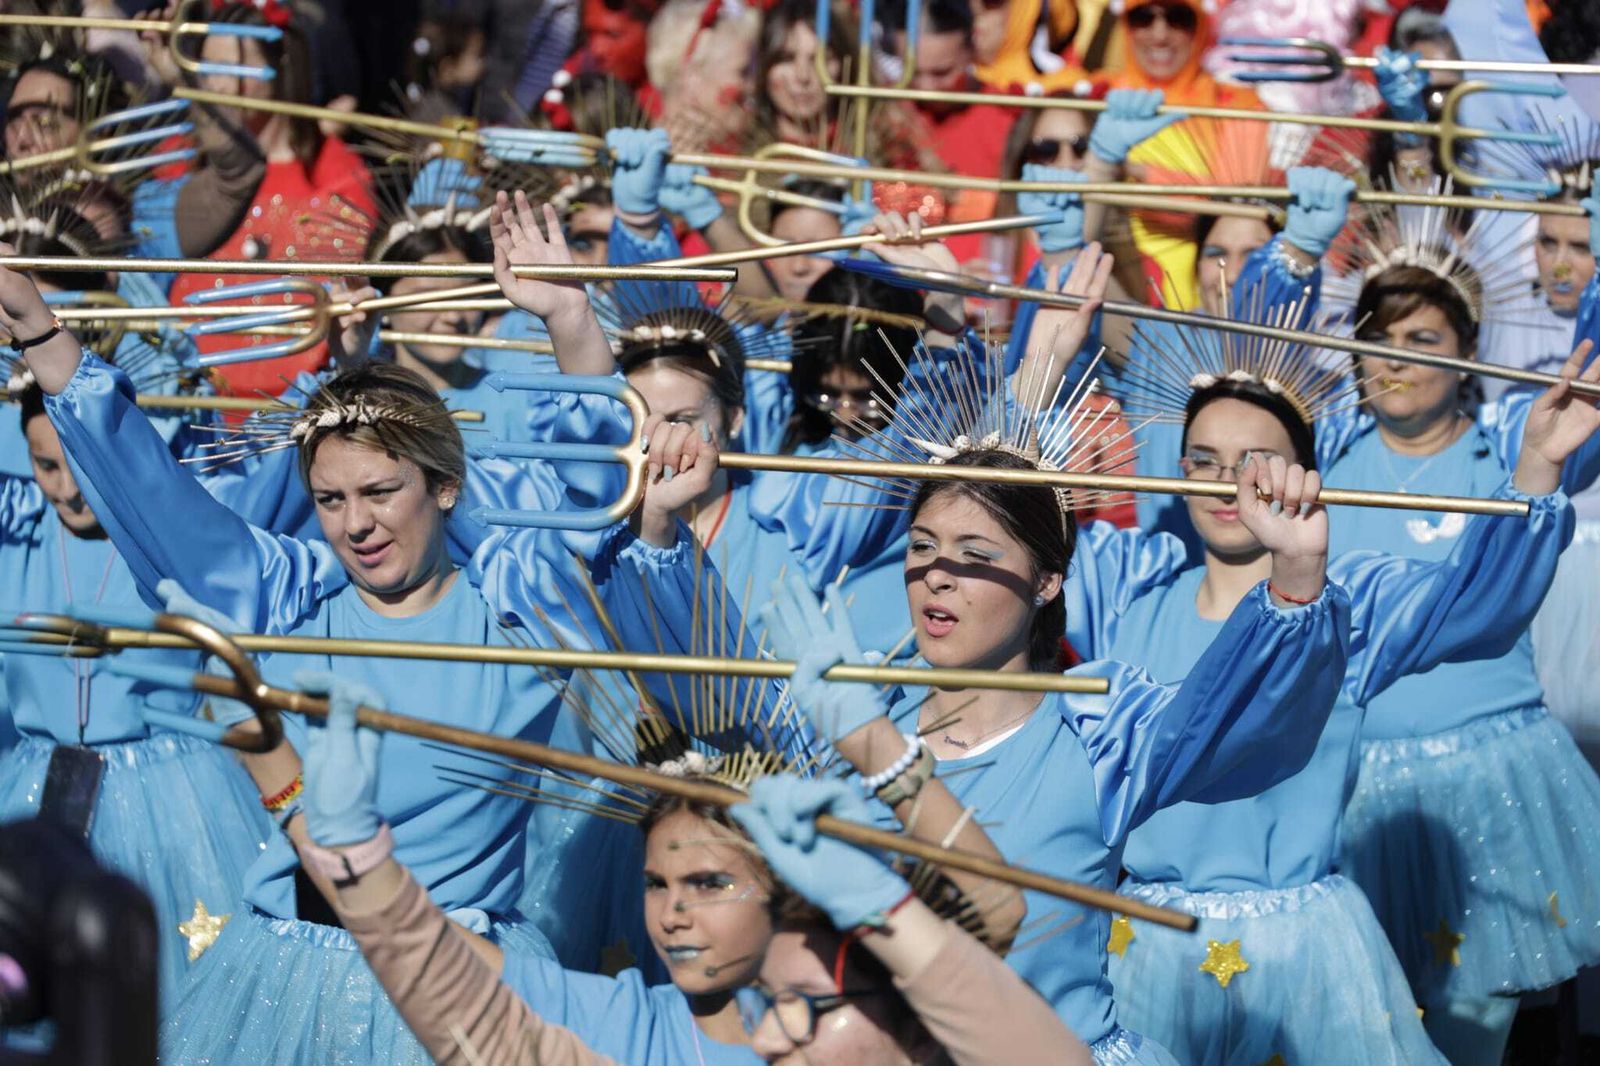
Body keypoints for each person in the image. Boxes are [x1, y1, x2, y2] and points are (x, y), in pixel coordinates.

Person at [3, 210, 730, 1061]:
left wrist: (569, 319)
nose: (356, 525)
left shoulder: (514, 607)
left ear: (446, 487)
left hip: (449, 980)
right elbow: (162, 507)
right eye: (332, 499)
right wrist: (46, 339)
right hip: (279, 980)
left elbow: (591, 491)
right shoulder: (288, 597)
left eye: (382, 491)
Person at [756, 356, 1356, 1062]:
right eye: (922, 546)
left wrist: (1294, 575)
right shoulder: (856, 711)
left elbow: (1237, 720)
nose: (938, 574)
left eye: (974, 553)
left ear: (1046, 581)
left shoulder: (1099, 730)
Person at [1076, 307, 1600, 1065]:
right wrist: (1042, 358)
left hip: (1306, 962)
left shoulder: (1346, 605)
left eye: (1256, 459)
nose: (1228, 482)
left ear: (1303, 471)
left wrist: (1538, 470)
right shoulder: (1130, 587)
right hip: (1147, 949)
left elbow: (1475, 603)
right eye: (1202, 458)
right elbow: (1011, 533)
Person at [286, 675, 1088, 1065]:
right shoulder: (636, 1025)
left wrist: (878, 751)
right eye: (766, 1000)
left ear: (910, 1015)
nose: (768, 1036)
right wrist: (357, 864)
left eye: (803, 1006)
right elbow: (489, 1033)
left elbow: (1010, 974)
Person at [1311, 204, 1600, 1066]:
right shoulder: (1318, 451)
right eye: (1380, 338)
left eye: (1425, 340)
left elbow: (1586, 392)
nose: (1396, 360)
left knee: (1474, 1039)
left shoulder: (1513, 446)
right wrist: (1285, 258)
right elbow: (1222, 420)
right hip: (1354, 790)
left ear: (1468, 353)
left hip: (1491, 784)